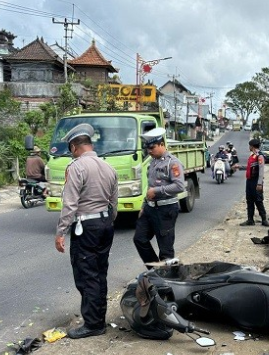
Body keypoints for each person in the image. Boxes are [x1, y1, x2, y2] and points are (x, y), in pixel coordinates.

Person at [54, 123, 119, 339]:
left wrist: (61, 232)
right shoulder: (108, 167)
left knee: (86, 275)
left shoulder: (76, 168)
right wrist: (108, 222)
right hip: (105, 224)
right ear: (90, 144)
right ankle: (98, 319)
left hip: (86, 228)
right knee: (100, 273)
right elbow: (114, 202)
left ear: (73, 146)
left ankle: (93, 324)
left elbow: (70, 204)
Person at [133, 127, 186, 268]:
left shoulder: (172, 163)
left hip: (166, 210)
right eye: (147, 148)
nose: (149, 151)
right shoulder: (153, 162)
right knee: (140, 239)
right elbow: (149, 187)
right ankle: (156, 270)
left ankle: (169, 283)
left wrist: (157, 190)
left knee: (166, 250)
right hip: (150, 209)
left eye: (152, 147)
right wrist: (144, 206)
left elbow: (180, 186)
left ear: (162, 144)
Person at [240, 138, 269, 227]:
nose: (249, 147)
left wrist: (259, 183)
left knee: (258, 200)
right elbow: (250, 167)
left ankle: (264, 219)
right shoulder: (252, 156)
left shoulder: (259, 156)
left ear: (252, 146)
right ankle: (250, 220)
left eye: (249, 145)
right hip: (249, 181)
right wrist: (240, 167)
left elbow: (261, 170)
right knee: (249, 200)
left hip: (256, 181)